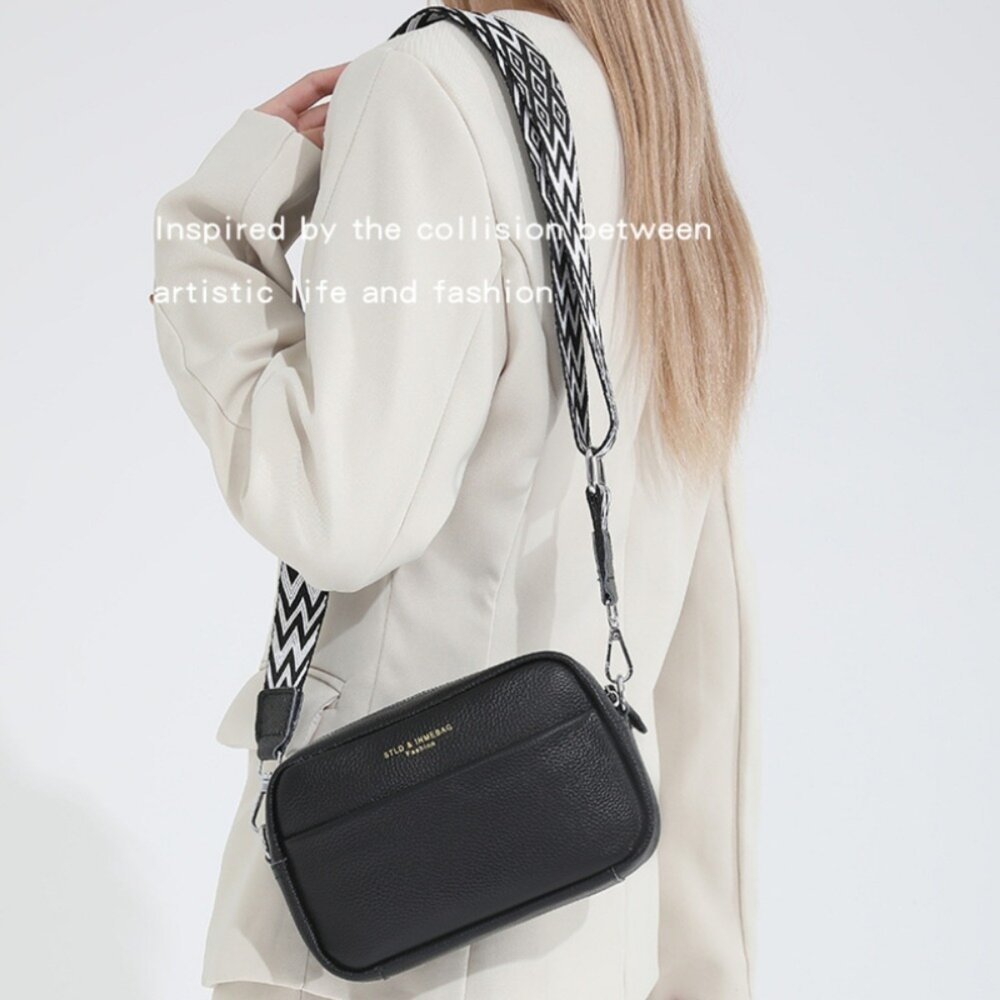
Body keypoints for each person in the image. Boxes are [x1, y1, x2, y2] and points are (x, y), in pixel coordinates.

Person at [151, 1, 764, 998]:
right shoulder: (653, 117)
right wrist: (699, 969)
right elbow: (702, 640)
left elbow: (337, 517)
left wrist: (210, 235)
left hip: (397, 925)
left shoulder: (432, 86)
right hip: (592, 936)